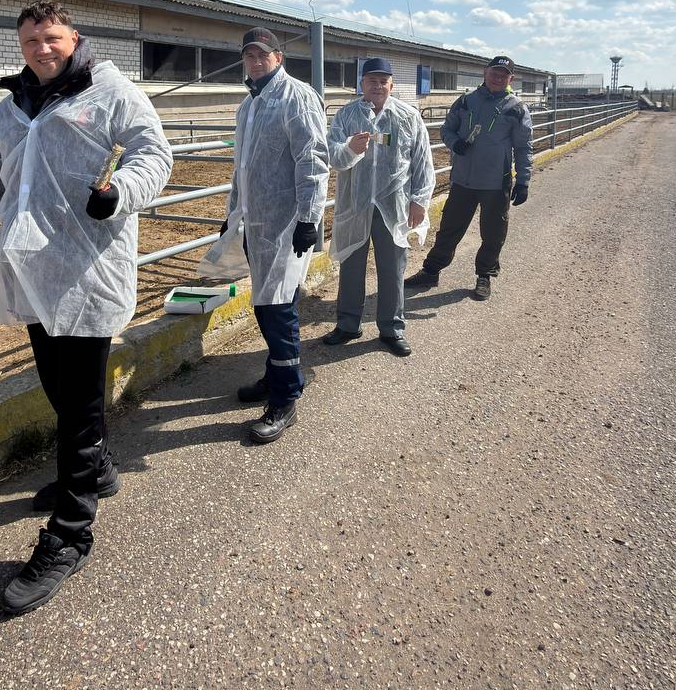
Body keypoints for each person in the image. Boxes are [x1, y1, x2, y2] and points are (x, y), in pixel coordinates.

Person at [0, 0, 172, 614]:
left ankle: (71, 535)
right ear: (20, 44)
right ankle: (98, 469)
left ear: (73, 37)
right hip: (32, 277)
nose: (41, 49)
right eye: (30, 40)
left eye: (51, 37)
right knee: (59, 390)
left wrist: (121, 193)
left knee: (77, 407)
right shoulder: (11, 109)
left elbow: (155, 154)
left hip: (86, 272)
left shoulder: (110, 91)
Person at [219, 26, 329, 444]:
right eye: (248, 55)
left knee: (278, 310)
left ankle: (285, 398)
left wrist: (308, 218)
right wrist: (233, 213)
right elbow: (241, 168)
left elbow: (313, 159)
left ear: (278, 57)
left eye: (262, 55)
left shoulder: (297, 97)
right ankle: (274, 375)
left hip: (285, 226)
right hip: (256, 224)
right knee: (267, 304)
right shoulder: (249, 105)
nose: (255, 61)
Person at [323, 58, 435, 356]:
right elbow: (331, 154)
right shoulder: (346, 115)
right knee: (351, 266)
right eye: (371, 80)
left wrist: (420, 201)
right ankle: (347, 324)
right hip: (355, 204)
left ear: (391, 85)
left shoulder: (407, 116)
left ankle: (392, 328)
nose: (377, 85)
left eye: (383, 80)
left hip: (394, 205)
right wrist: (349, 149)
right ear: (361, 84)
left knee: (392, 268)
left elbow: (423, 160)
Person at [405, 55, 532, 301]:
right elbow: (446, 129)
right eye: (494, 72)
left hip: (497, 182)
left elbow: (524, 147)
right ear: (484, 73)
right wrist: (455, 144)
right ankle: (431, 271)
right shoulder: (465, 101)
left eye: (503, 75)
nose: (497, 77)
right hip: (463, 180)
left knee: (493, 232)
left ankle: (484, 275)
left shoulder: (516, 108)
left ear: (510, 79)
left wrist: (524, 180)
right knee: (449, 229)